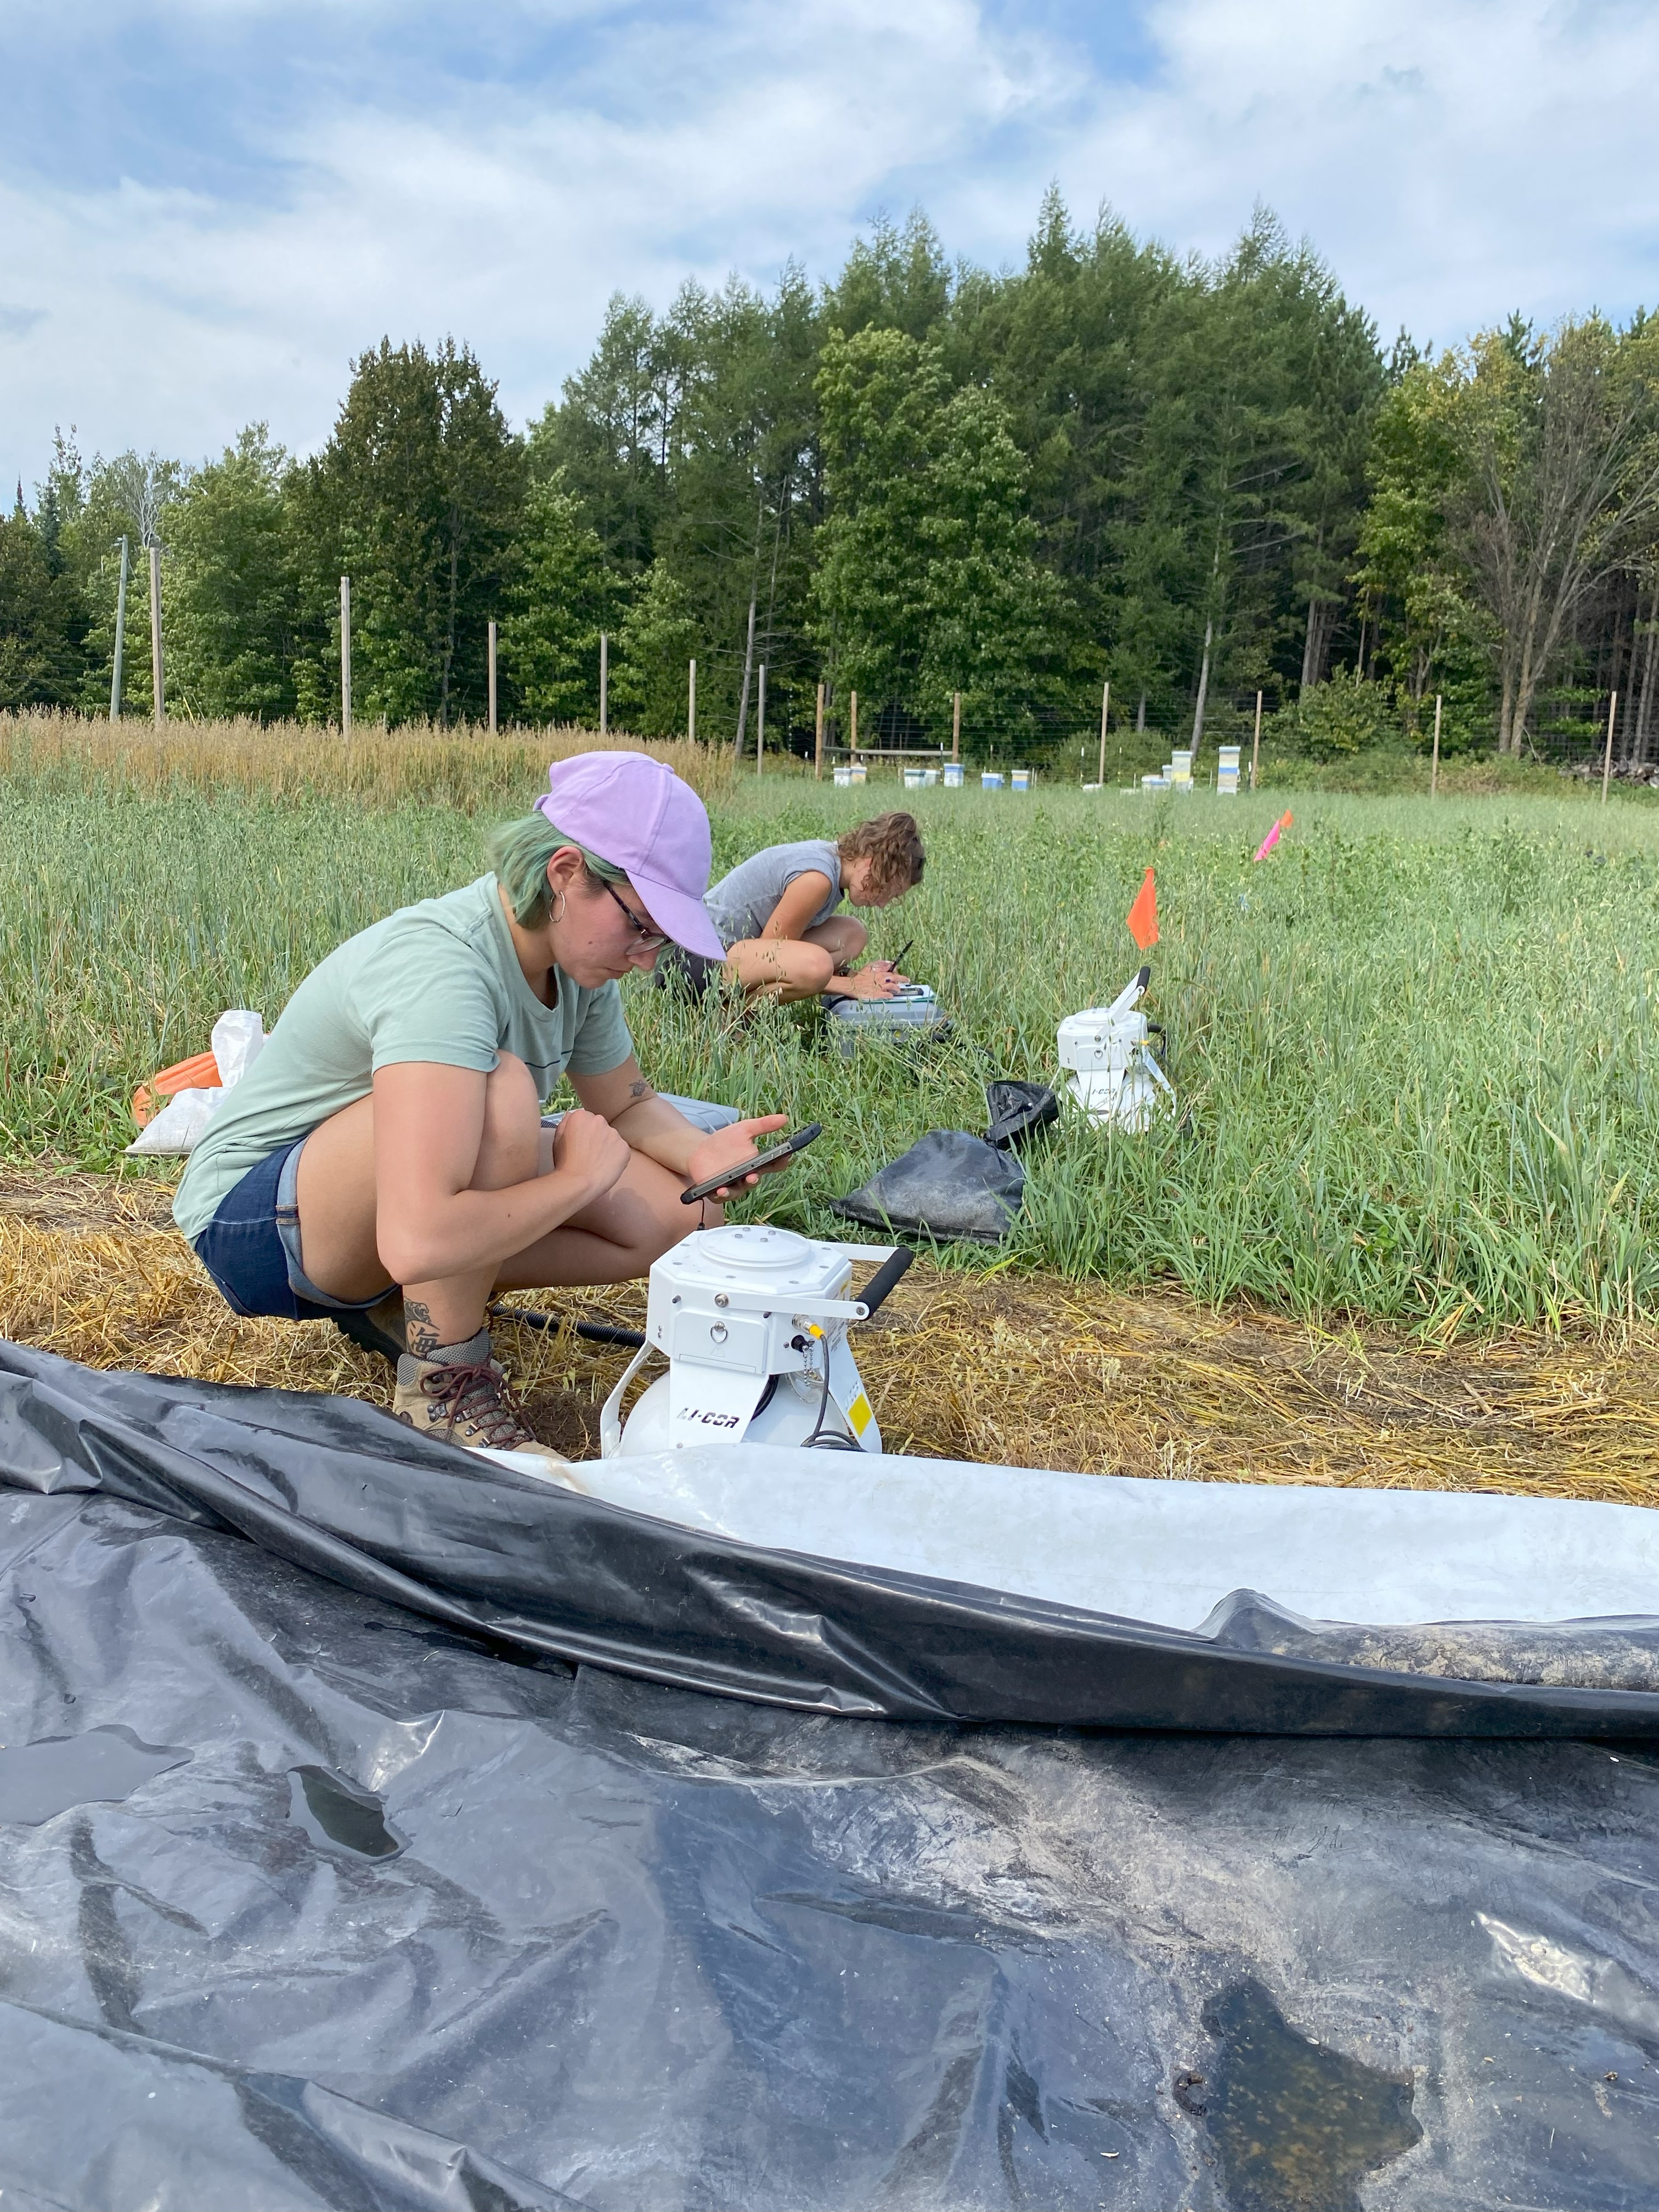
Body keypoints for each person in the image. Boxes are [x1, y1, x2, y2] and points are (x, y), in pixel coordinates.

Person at [172, 752, 790, 1485]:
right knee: (502, 1093)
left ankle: (416, 1309)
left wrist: (700, 1156)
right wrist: (572, 1184)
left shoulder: (578, 967)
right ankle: (441, 1385)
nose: (648, 959)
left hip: (362, 1208)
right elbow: (415, 1239)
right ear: (565, 873)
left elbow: (626, 1103)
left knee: (685, 1220)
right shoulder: (447, 970)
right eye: (642, 928)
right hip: (255, 1224)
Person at [684, 812, 926, 1003]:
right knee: (817, 964)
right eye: (886, 890)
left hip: (735, 955)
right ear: (871, 863)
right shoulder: (816, 879)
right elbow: (771, 959)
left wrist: (858, 976)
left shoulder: (832, 862)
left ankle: (734, 1010)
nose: (882, 904)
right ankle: (729, 1019)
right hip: (697, 961)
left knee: (853, 934)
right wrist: (852, 986)